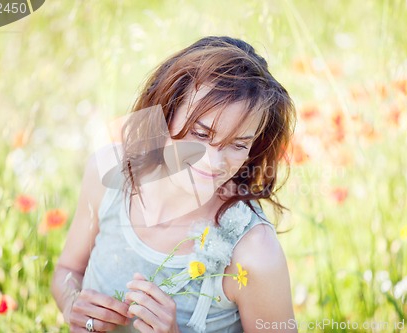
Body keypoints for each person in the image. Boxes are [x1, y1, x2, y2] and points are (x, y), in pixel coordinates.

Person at [51, 36, 297, 333]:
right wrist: (73, 305)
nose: (214, 162)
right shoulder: (107, 176)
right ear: (166, 110)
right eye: (202, 134)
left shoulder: (254, 253)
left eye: (238, 144)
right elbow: (68, 271)